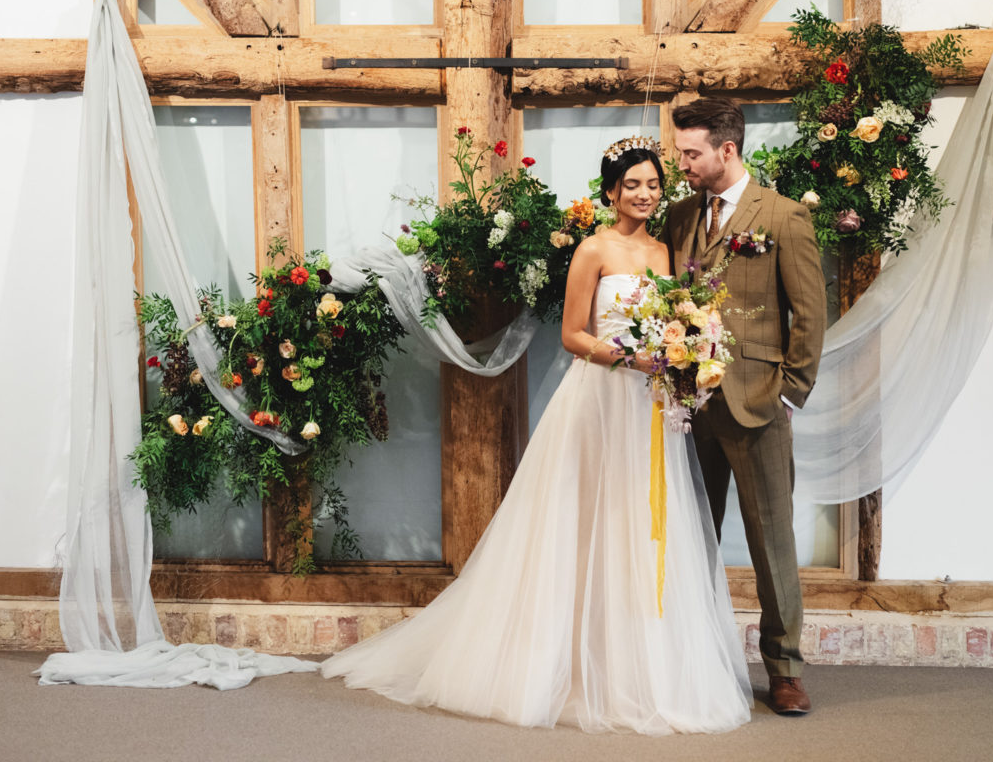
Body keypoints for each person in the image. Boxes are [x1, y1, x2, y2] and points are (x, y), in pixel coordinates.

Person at [321, 140, 752, 735]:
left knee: (640, 522)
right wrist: (632, 359)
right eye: (633, 185)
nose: (646, 194)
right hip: (600, 397)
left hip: (650, 409)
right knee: (580, 521)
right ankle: (563, 660)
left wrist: (684, 353)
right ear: (610, 192)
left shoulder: (666, 252)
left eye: (654, 184)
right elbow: (575, 335)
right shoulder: (593, 249)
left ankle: (636, 663)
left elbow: (678, 320)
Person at [665, 98, 826, 716]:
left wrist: (790, 391)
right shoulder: (680, 216)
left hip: (758, 405)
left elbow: (810, 316)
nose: (682, 163)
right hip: (690, 407)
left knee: (771, 544)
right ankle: (694, 654)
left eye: (691, 153)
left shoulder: (783, 218)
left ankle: (784, 669)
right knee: (691, 537)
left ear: (725, 151)